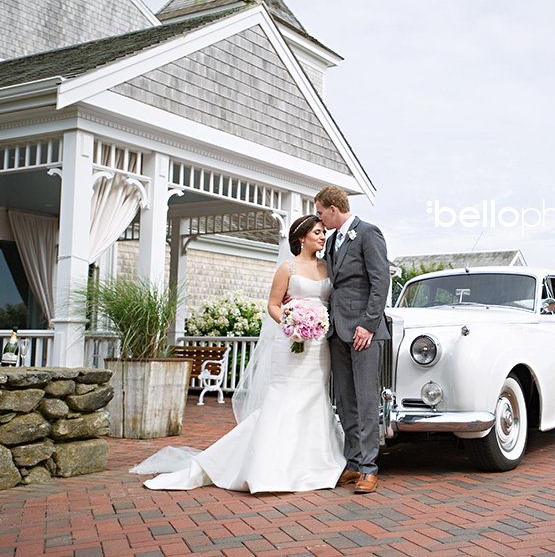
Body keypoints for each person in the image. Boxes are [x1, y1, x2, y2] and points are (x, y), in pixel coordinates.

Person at [133, 215, 347, 493]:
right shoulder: (288, 267)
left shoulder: (328, 267)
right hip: (290, 341)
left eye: (323, 232)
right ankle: (266, 466)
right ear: (301, 237)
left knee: (314, 397)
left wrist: (313, 325)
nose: (322, 236)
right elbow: (272, 305)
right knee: (284, 398)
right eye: (317, 232)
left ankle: (312, 464)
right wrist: (291, 323)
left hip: (319, 345)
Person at [315, 186, 390, 495]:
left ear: (334, 209)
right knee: (345, 399)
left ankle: (370, 469)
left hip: (363, 332)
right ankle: (354, 462)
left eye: (320, 212)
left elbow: (380, 280)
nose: (318, 218)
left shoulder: (368, 233)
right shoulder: (332, 241)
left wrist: (368, 325)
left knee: (366, 399)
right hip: (336, 331)